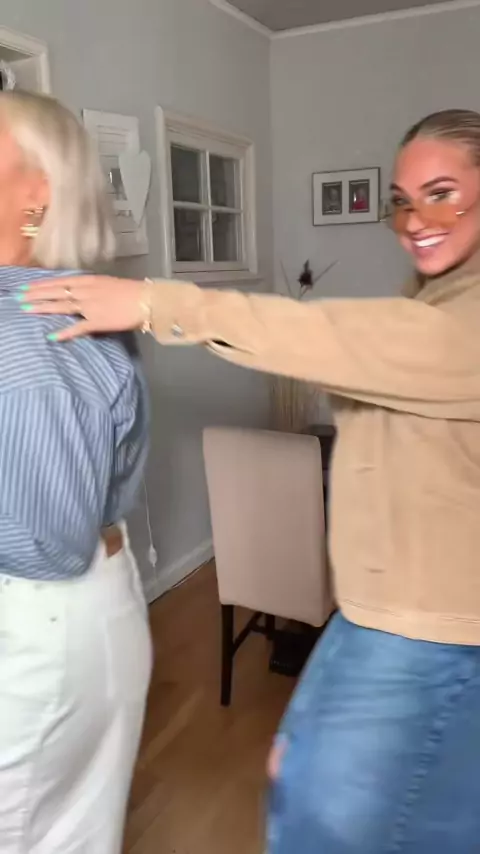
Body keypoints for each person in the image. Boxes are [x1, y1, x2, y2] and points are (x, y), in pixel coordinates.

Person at [24, 108, 480, 852]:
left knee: (347, 822)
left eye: (442, 194)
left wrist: (153, 302)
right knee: (304, 779)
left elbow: (332, 336)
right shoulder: (437, 292)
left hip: (438, 631)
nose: (415, 221)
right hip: (377, 608)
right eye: (402, 201)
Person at [0, 90, 151, 854]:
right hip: (76, 615)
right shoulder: (64, 307)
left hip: (37, 624)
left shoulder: (25, 334)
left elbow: (45, 544)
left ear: (37, 193)